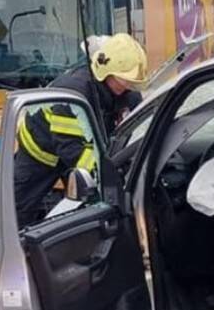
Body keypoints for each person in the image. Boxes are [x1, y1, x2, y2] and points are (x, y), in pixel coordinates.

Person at [14, 33, 147, 228]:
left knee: (83, 212)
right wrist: (109, 178)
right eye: (123, 79)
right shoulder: (71, 97)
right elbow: (74, 150)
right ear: (105, 72)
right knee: (18, 211)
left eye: (132, 80)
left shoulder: (127, 94)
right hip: (39, 152)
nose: (128, 85)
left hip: (78, 151)